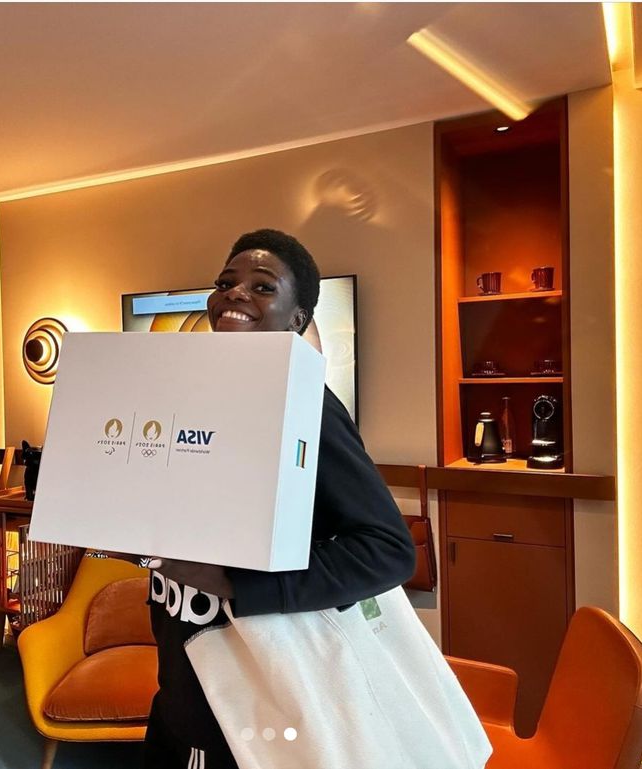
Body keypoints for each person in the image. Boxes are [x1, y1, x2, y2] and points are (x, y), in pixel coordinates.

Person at [131, 229, 416, 768]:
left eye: (263, 287)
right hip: (179, 689)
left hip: (253, 708)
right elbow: (164, 543)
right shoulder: (189, 398)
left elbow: (388, 550)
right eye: (225, 283)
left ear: (296, 319)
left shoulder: (307, 405)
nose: (235, 294)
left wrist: (236, 583)